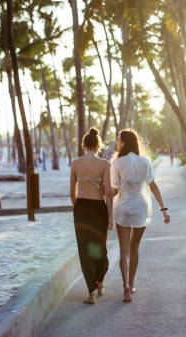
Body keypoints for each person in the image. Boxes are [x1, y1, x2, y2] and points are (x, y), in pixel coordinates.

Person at [110, 129, 170, 303]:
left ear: (124, 142)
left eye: (118, 140)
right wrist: (164, 209)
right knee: (134, 248)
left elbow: (114, 190)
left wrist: (102, 203)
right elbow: (153, 187)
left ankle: (126, 287)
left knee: (124, 251)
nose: (117, 142)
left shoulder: (116, 162)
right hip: (141, 209)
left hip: (122, 208)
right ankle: (132, 283)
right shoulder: (145, 161)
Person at [70, 128, 113, 305]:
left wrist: (77, 208)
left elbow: (71, 193)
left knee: (84, 249)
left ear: (83, 145)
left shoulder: (75, 163)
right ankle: (100, 282)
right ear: (98, 145)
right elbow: (109, 193)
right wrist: (110, 215)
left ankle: (91, 292)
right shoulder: (104, 164)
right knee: (99, 246)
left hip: (81, 208)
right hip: (98, 208)